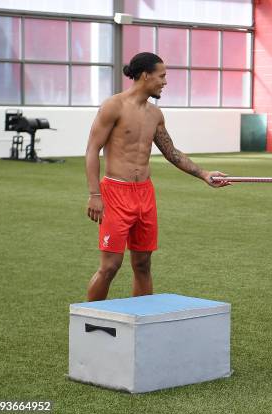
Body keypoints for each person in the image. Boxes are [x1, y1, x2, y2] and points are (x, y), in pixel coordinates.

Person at [85, 52, 230, 302]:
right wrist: (95, 194)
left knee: (142, 264)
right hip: (116, 192)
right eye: (161, 76)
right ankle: (88, 324)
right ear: (145, 75)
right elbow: (91, 151)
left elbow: (171, 152)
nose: (165, 82)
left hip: (144, 194)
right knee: (110, 267)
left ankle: (140, 321)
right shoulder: (113, 106)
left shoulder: (155, 114)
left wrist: (204, 174)